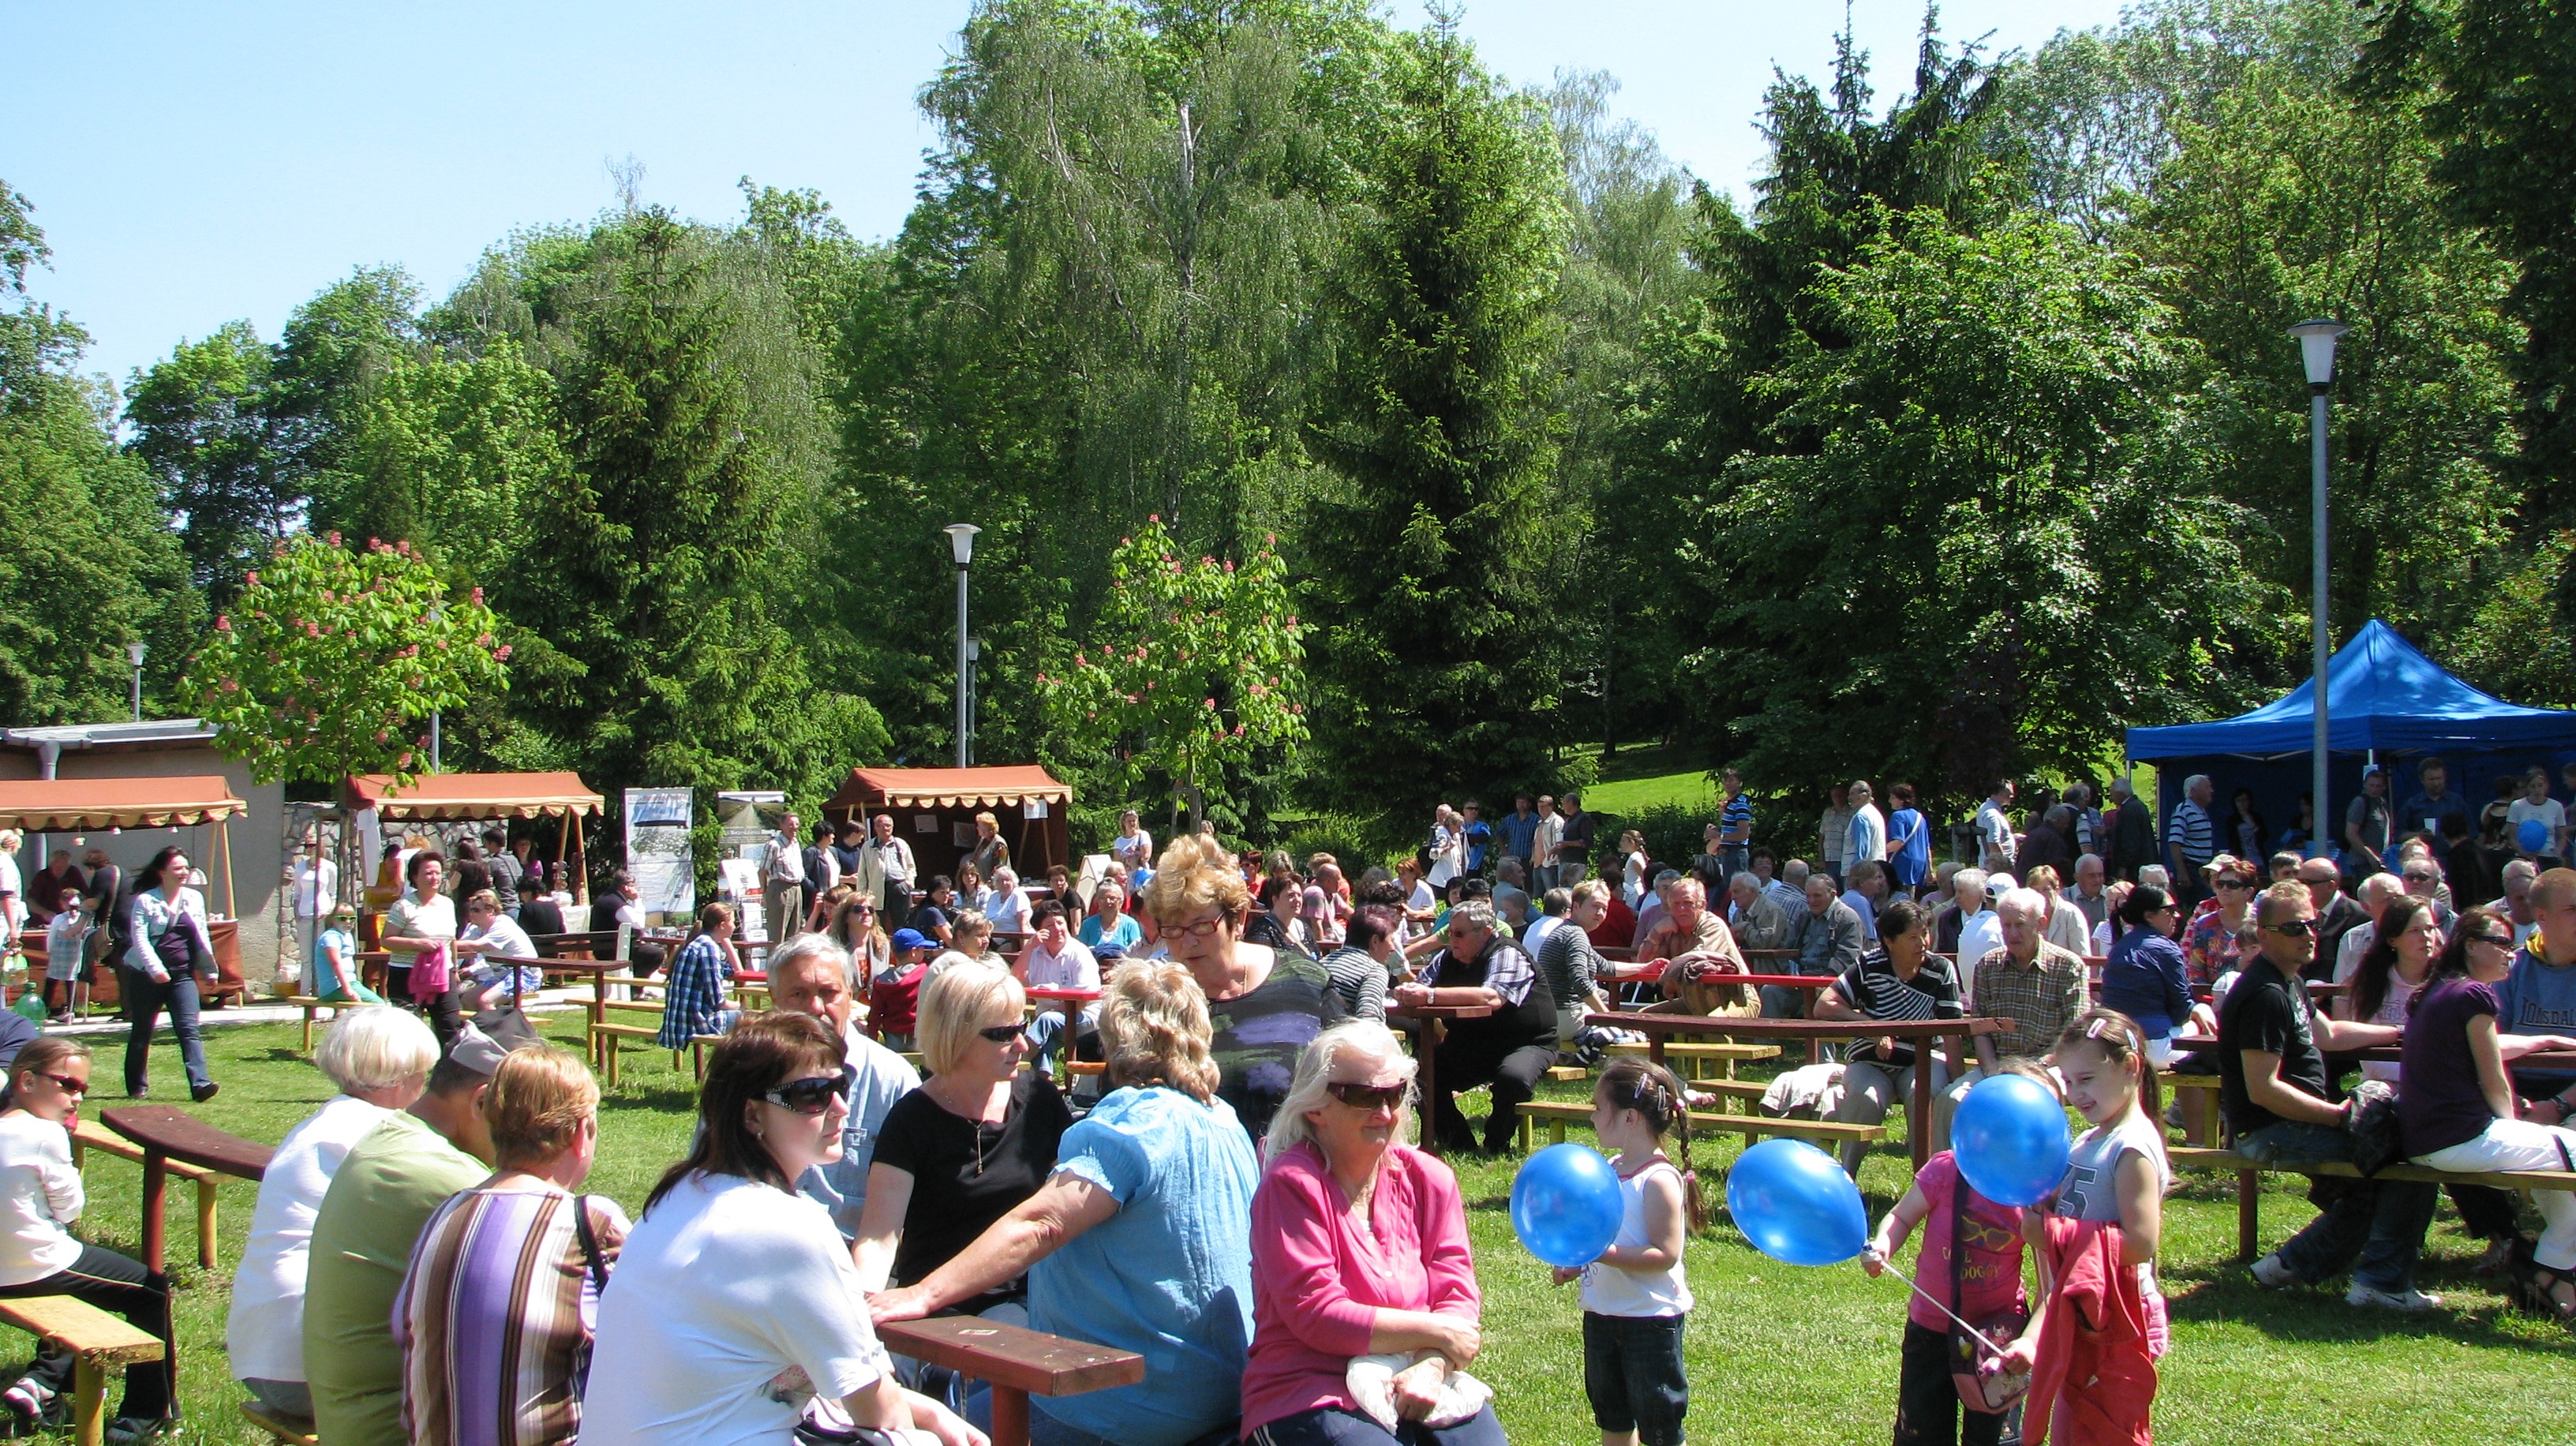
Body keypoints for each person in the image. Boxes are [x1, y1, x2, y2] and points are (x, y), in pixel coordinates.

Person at [872, 961, 1260, 1446]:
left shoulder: (1130, 1123)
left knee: (927, 1422)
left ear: (1115, 1039)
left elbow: (1041, 1223)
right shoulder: (1226, 1120)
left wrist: (922, 1295)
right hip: (1232, 1385)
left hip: (1130, 1400)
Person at [585, 1013, 979, 1446]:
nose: (840, 1107)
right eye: (812, 1095)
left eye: (841, 1086)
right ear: (752, 1115)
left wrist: (929, 1409)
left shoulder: (678, 1197)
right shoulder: (787, 1228)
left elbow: (817, 1383)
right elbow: (881, 1413)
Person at [1237, 1021, 1502, 1446]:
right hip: (1310, 1388)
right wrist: (1440, 1334)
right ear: (1315, 1108)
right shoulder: (1291, 1185)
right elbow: (1318, 1314)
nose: (1384, 1112)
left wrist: (1432, 1365)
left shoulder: (1430, 1179)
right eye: (1364, 1096)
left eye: (1394, 1094)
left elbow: (1456, 1292)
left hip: (1418, 1373)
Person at [395, 1045, 626, 1446]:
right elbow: (659, 1345)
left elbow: (403, 1329)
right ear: (579, 1133)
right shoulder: (590, 1223)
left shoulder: (445, 1214)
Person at [2224, 882, 2440, 1309]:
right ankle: (2381, 1281)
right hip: (2270, 1131)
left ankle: (2288, 1265)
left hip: (2294, 1122)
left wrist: (2401, 1032)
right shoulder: (2265, 994)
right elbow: (2263, 1090)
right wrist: (2339, 1117)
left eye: (2311, 924)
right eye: (2293, 927)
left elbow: (2329, 1034)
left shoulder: (2288, 981)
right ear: (2263, 934)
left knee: (2382, 1172)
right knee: (2406, 1159)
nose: (2307, 934)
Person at [230, 1007, 440, 1426]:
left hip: (261, 1354)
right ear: (402, 1075)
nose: (425, 1085)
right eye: (425, 1073)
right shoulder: (383, 1138)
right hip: (312, 1370)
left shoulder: (321, 1126)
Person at [305, 1025, 507, 1444]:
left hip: (351, 1419)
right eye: (520, 1121)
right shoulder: (451, 1179)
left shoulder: (393, 1136)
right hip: (396, 1430)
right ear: (481, 1101)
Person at [852, 965, 1073, 1332]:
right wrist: (862, 1312)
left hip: (1021, 1300)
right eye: (1003, 1034)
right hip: (929, 1307)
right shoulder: (911, 1120)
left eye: (1023, 1027)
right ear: (956, 1035)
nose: (1022, 1045)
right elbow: (878, 1237)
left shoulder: (1040, 1100)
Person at [1995, 1011, 2168, 1446]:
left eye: (2086, 1080)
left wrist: (2052, 1233)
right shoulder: (2089, 1140)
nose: (2075, 1094)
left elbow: (2141, 1242)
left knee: (2102, 1430)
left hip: (2118, 1318)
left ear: (2130, 1067)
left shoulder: (2132, 1148)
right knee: (2072, 1428)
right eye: (2069, 1082)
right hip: (2081, 1311)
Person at [2400, 905, 2576, 1325]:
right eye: (2500, 943)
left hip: (2427, 1140)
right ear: (2470, 945)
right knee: (2571, 1151)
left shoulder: (2442, 990)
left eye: (2513, 944)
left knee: (2559, 1180)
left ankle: (2550, 1281)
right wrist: (2514, 1125)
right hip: (2462, 1140)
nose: (2510, 953)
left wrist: (2545, 1040)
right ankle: (2546, 1275)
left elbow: (2488, 1046)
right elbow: (2494, 1078)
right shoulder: (2475, 995)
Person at [0, 1039, 176, 1440]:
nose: (77, 1097)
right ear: (27, 1081)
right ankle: (148, 1411)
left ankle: (45, 1384)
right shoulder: (44, 1134)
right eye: (68, 1085)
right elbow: (70, 1211)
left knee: (90, 1281)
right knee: (150, 1288)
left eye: (83, 1089)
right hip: (33, 1266)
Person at [1859, 1074, 2037, 1446]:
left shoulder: (2030, 1193)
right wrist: (1884, 1244)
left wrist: (2030, 1341)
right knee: (1922, 1433)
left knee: (1993, 1437)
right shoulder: (1945, 1170)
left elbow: (2052, 1280)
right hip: (1931, 1329)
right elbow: (1902, 1216)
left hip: (1997, 1338)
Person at [1143, 837, 1345, 1141]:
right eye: (1172, 928)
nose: (1187, 942)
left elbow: (1355, 1077)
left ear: (1237, 920)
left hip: (1290, 1162)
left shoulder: (1304, 981)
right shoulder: (1154, 1000)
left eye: (1201, 925)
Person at [1546, 1058, 1698, 1446]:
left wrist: (1599, 1252)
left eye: (1599, 1108)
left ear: (1630, 1117)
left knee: (1659, 1422)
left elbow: (1665, 1254)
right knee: (1612, 1416)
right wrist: (1578, 1262)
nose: (1593, 1116)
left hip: (1649, 1323)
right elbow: (1605, 1234)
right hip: (1602, 1316)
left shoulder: (1658, 1179)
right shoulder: (1610, 1169)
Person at [1812, 900, 1963, 1176]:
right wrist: (1872, 1027)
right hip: (1870, 1060)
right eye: (1913, 937)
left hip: (1921, 1059)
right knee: (1865, 1098)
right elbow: (1824, 1005)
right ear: (1890, 941)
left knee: (1924, 1092)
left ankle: (1928, 1179)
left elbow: (1952, 1029)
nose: (1923, 943)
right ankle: (1845, 1177)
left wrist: (1958, 1080)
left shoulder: (1941, 969)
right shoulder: (1869, 965)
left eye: (1925, 934)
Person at [1930, 890, 2087, 1155]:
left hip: (2049, 1066)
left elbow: (2073, 1033)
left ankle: (2043, 1167)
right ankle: (1943, 1172)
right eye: (2006, 925)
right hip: (1998, 1065)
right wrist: (1992, 1070)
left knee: (2034, 1101)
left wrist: (2037, 1068)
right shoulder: (1988, 965)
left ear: (2041, 923)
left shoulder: (2068, 967)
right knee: (1951, 1098)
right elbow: (1981, 1030)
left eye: (2020, 925)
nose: (2012, 933)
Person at [1397, 901, 1556, 1155]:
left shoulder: (1507, 953)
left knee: (1513, 1079)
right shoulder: (1446, 958)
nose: (1452, 939)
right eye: (1450, 933)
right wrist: (1406, 991)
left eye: (1459, 933)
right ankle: (1458, 1142)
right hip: (1472, 1044)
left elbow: (1492, 997)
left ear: (1486, 932)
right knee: (1419, 1071)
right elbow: (1422, 985)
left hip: (1525, 1043)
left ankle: (1496, 1145)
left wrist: (1430, 996)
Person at [121, 845, 219, 1102]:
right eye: (177, 868)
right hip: (146, 976)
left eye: (186, 868)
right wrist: (155, 969)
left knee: (189, 1029)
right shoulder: (146, 900)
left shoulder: (194, 898)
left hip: (183, 976)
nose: (183, 872)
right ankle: (137, 1086)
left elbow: (201, 934)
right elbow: (140, 939)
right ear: (161, 872)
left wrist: (209, 969)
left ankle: (200, 1084)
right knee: (142, 1031)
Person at [2100, 886, 2192, 1069]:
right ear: (2149, 916)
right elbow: (2183, 1009)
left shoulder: (2118, 948)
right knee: (2202, 1017)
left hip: (2116, 1051)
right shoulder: (2166, 949)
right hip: (2156, 1050)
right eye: (2170, 910)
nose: (2177, 915)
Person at [381, 850, 465, 1047]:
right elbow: (386, 940)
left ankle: (448, 1065)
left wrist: (454, 970)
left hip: (442, 975)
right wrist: (417, 944)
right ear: (415, 877)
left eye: (437, 873)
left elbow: (451, 940)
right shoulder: (403, 906)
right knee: (407, 1030)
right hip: (407, 974)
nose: (434, 878)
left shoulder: (447, 904)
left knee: (450, 1026)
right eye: (428, 873)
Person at [1016, 901, 1103, 1072]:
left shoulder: (1079, 953)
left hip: (1084, 1017)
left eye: (1060, 923)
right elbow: (1017, 980)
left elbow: (1082, 1002)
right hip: (1048, 1022)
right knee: (1045, 1043)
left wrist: (1050, 1012)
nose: (1057, 929)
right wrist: (1029, 947)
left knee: (1045, 1021)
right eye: (1050, 925)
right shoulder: (1035, 953)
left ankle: (1018, 1058)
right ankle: (1044, 1083)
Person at [1776, 874, 1864, 1018]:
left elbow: (1847, 957)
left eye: (1817, 896)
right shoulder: (1804, 915)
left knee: (1818, 997)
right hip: (1802, 980)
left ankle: (1816, 1033)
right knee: (1770, 991)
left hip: (1832, 983)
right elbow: (1789, 949)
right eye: (1808, 896)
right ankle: (1770, 1032)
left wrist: (1825, 980)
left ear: (1833, 894)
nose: (1812, 901)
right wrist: (1789, 974)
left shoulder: (1848, 918)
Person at [1537, 885, 1613, 1049]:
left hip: (1550, 1016)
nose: (1600, 913)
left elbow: (1606, 967)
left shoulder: (1568, 930)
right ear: (1577, 906)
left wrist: (1646, 968)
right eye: (1595, 906)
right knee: (1632, 1034)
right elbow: (1580, 982)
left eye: (1604, 909)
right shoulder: (1575, 935)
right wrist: (1609, 1019)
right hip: (1566, 1017)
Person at [660, 901, 743, 1050]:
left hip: (676, 1023)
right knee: (751, 1021)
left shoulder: (696, 944)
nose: (735, 927)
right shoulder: (709, 948)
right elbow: (717, 1001)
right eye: (733, 922)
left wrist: (725, 941)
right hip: (695, 1023)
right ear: (722, 925)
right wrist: (739, 1006)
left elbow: (734, 970)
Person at [454, 889, 544, 1010]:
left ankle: (496, 1023)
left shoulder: (503, 924)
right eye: (470, 910)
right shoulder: (477, 928)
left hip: (525, 974)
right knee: (468, 999)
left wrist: (447, 943)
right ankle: (483, 1022)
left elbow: (476, 946)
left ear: (490, 910)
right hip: (500, 975)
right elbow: (461, 948)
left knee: (486, 1001)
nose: (471, 914)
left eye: (476, 910)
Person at [2181, 856, 2260, 993]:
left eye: (2232, 885)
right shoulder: (2204, 924)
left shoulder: (2262, 921)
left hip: (2257, 993)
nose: (2225, 889)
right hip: (2215, 996)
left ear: (2248, 892)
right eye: (2220, 884)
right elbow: (2196, 968)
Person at [1323, 905, 1404, 1023]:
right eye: (1391, 940)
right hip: (1340, 1033)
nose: (1393, 948)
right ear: (1375, 941)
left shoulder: (1322, 963)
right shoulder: (1374, 970)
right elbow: (1368, 1020)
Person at [2166, 774, 2218, 906]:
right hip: (2191, 869)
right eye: (2207, 787)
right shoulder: (2183, 811)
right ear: (2194, 791)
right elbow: (2174, 842)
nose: (2211, 791)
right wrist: (2182, 872)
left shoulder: (2200, 811)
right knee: (2194, 906)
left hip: (2202, 869)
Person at [39, 895, 88, 1024]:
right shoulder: (60, 918)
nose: (74, 911)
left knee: (70, 981)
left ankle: (70, 1009)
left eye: (76, 908)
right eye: (71, 907)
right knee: (54, 980)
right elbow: (52, 935)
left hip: (73, 953)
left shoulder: (82, 919)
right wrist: (49, 950)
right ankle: (46, 1008)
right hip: (61, 953)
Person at [2023, 865, 2089, 957]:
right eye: (2036, 890)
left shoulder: (2070, 914)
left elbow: (2082, 956)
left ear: (2057, 890)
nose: (2041, 895)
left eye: (2046, 890)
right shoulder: (2025, 916)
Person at [287, 845, 333, 976]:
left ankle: (320, 985)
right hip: (304, 914)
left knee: (321, 955)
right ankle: (306, 986)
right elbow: (297, 892)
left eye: (313, 845)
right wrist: (296, 911)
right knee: (306, 958)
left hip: (322, 915)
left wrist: (329, 911)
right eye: (307, 846)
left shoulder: (329, 867)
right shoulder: (300, 867)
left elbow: (333, 893)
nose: (309, 848)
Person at [2398, 756, 2466, 845]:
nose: (2436, 783)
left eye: (2439, 778)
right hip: (2423, 852)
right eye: (2432, 779)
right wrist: (2418, 835)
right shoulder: (2412, 804)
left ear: (2445, 778)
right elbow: (2398, 835)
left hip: (2453, 853)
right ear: (2422, 780)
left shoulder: (2456, 802)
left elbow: (2471, 833)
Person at [1885, 784, 1930, 896]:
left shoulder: (1898, 816)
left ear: (1902, 800)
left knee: (1899, 899)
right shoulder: (1920, 817)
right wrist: (1929, 869)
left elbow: (1898, 842)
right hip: (1920, 863)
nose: (1890, 801)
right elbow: (1927, 846)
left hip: (1902, 863)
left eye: (1893, 797)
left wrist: (1879, 851)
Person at [1080, 880, 1145, 953]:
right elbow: (1081, 951)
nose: (1108, 902)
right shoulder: (1088, 924)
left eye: (1112, 898)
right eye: (1103, 898)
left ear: (1121, 902)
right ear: (1097, 902)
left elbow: (1137, 952)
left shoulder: (1130, 924)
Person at [1845, 785, 1889, 879]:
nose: (1849, 798)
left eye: (1852, 794)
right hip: (1878, 869)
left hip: (1864, 874)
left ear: (1864, 795)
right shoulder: (1875, 813)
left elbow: (1862, 849)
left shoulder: (1861, 816)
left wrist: (1856, 875)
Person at [1973, 780, 2017, 873]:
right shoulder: (1992, 814)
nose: (2012, 796)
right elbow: (1993, 844)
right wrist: (2004, 866)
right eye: (2009, 793)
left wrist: (2014, 837)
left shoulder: (1991, 809)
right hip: (1996, 869)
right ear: (1999, 793)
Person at [1500, 795, 1544, 881]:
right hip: (1512, 859)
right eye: (1519, 802)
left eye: (1523, 802)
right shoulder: (1510, 819)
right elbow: (1499, 834)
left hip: (1528, 859)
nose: (1521, 804)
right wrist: (1503, 850)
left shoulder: (1536, 820)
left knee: (1529, 884)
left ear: (1529, 804)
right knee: (1512, 883)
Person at [1556, 794, 1596, 888]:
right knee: (1564, 892)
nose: (1562, 806)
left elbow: (1587, 842)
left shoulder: (1583, 819)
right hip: (1564, 861)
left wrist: (1567, 844)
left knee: (1575, 891)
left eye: (1564, 803)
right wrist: (1556, 848)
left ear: (1570, 803)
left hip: (1576, 864)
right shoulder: (1569, 820)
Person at [1818, 784, 1854, 886]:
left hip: (1845, 860)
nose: (1838, 798)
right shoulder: (1827, 813)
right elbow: (1821, 837)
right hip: (1829, 860)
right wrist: (1821, 859)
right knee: (1831, 889)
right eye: (1835, 795)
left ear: (1846, 796)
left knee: (1846, 888)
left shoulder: (1852, 813)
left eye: (1840, 795)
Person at [2227, 787, 2271, 864]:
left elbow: (2264, 836)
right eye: (2238, 800)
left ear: (2250, 801)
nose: (2242, 803)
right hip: (2242, 860)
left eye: (2244, 800)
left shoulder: (2257, 817)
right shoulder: (2231, 820)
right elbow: (2232, 843)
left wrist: (2251, 823)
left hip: (2259, 858)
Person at [1532, 797, 1566, 893]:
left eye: (1544, 806)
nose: (1541, 809)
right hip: (1537, 864)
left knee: (1552, 894)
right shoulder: (1540, 822)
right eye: (1539, 807)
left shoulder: (1556, 821)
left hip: (1550, 864)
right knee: (1538, 895)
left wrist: (1551, 858)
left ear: (1551, 807)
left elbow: (1559, 843)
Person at [1112, 811, 1155, 875]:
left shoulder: (1143, 835)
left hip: (1141, 873)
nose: (1132, 823)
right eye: (1129, 821)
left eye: (1134, 821)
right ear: (1124, 822)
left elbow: (1146, 856)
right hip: (1126, 874)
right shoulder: (1119, 841)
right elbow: (1117, 862)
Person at [1618, 830, 1649, 910]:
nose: (1621, 843)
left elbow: (1644, 877)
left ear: (1631, 842)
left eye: (1623, 841)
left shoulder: (1634, 859)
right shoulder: (1634, 857)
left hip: (1635, 893)